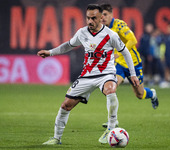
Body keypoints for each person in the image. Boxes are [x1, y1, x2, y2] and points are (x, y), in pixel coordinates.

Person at [37, 4, 139, 145]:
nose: (90, 21)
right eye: (88, 18)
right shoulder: (82, 33)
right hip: (87, 76)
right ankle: (56, 138)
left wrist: (133, 74)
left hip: (106, 74)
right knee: (66, 105)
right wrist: (50, 52)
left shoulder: (110, 35)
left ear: (101, 18)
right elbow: (68, 45)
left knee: (110, 89)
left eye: (94, 18)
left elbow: (125, 52)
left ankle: (110, 128)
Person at [100, 4, 159, 128]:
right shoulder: (103, 29)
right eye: (101, 15)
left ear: (111, 15)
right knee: (110, 88)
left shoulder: (119, 25)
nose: (103, 17)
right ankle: (113, 120)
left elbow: (133, 40)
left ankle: (152, 94)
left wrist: (119, 52)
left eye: (105, 15)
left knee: (140, 94)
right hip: (119, 65)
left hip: (133, 63)